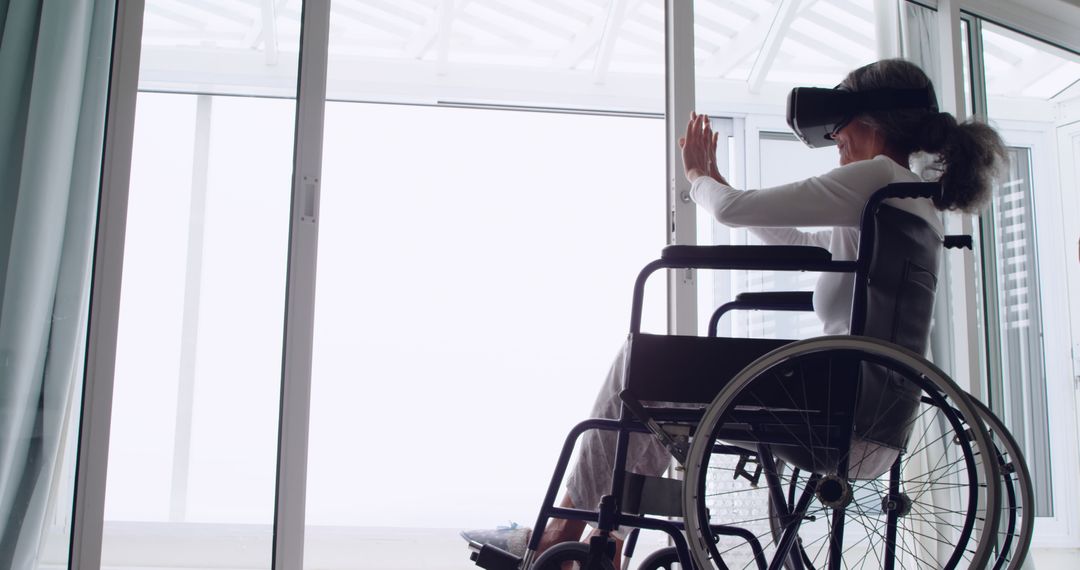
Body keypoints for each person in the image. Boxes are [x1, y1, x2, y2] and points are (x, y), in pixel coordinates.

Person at [463, 58, 1006, 569]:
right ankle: (606, 543)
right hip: (874, 422)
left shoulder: (875, 179)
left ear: (869, 121)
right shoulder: (912, 201)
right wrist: (721, 187)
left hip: (833, 407)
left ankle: (557, 536)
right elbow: (796, 239)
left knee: (639, 365)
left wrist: (699, 176)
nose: (836, 138)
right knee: (658, 399)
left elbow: (730, 212)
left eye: (841, 125)